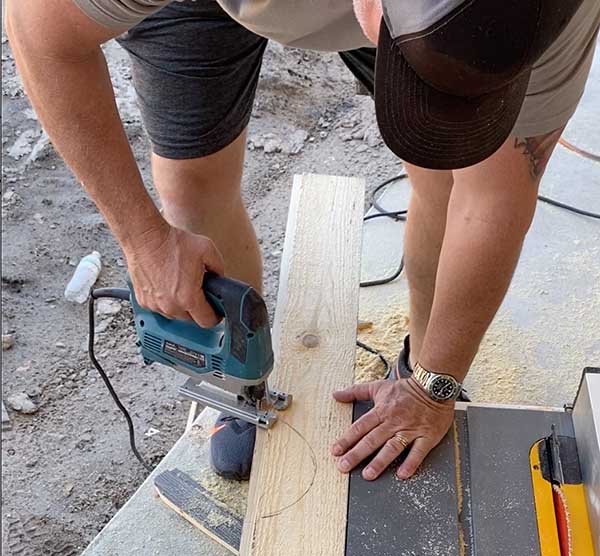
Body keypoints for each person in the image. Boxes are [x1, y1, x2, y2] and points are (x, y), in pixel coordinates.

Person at [7, 0, 599, 481]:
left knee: (444, 177)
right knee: (190, 186)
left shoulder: (552, 15)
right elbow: (41, 36)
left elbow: (493, 197)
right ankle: (241, 390)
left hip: (418, 24)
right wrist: (143, 239)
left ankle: (415, 365)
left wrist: (433, 384)